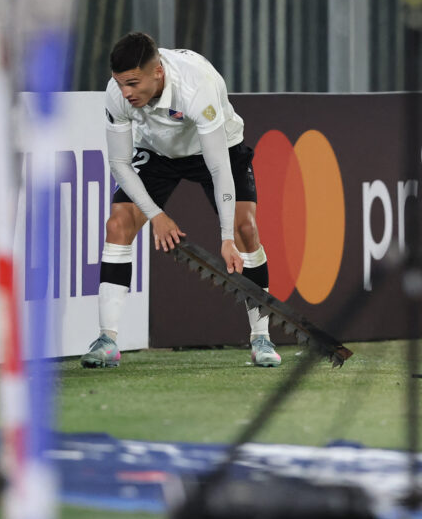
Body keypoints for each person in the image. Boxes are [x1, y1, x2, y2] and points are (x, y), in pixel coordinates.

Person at [81, 32, 281, 369]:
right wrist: (156, 214)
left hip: (216, 148)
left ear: (157, 72)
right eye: (120, 83)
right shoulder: (117, 94)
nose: (126, 93)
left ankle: (261, 338)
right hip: (157, 152)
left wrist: (226, 239)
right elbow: (119, 164)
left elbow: (218, 168)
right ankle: (107, 341)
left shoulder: (195, 87)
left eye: (132, 83)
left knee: (245, 228)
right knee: (117, 224)